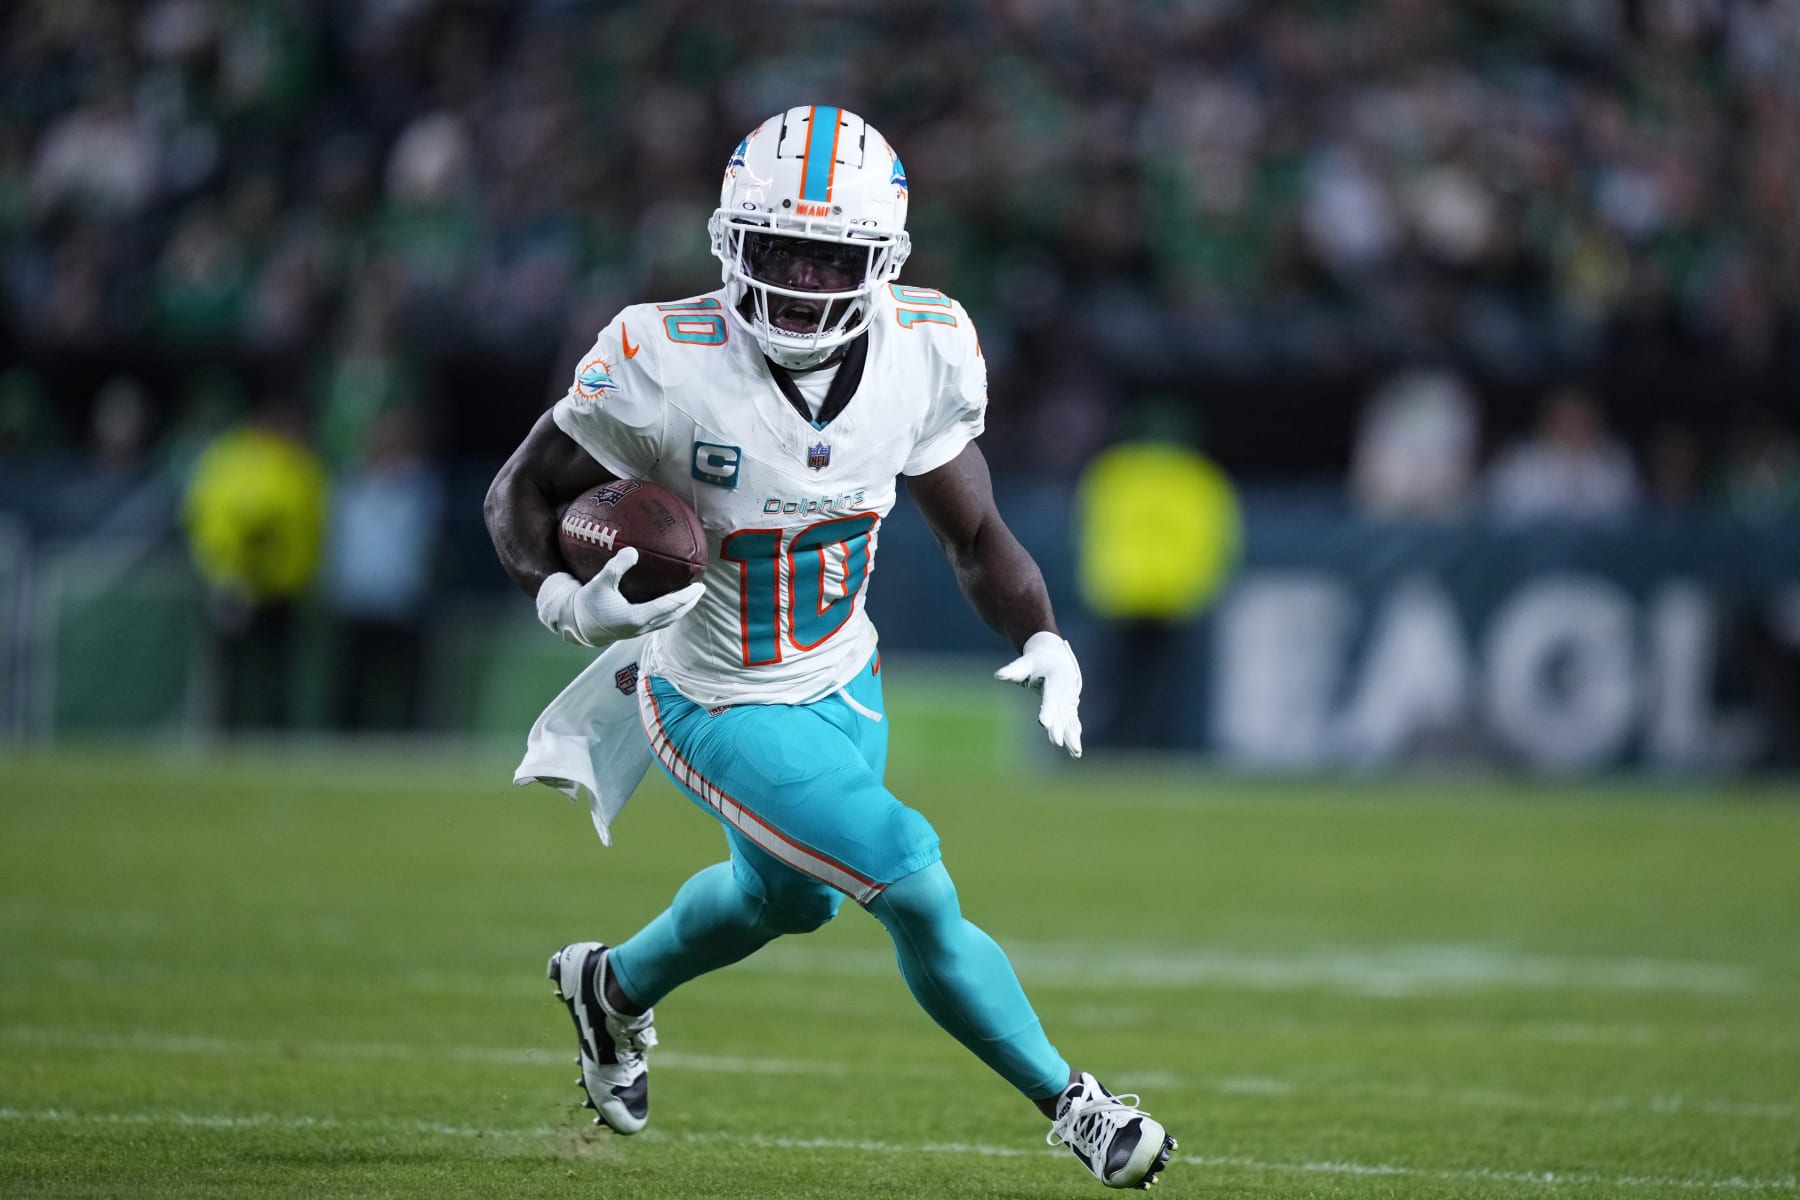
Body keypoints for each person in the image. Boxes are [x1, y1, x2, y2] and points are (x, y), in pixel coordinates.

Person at [485, 106, 1176, 1191]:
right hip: (711, 695)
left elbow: (977, 535)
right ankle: (1078, 1106)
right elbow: (518, 494)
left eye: (830, 256)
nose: (803, 281)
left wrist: (1042, 633)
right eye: (778, 250)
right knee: (910, 876)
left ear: (882, 263)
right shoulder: (663, 356)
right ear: (729, 244)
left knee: (786, 899)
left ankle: (610, 988)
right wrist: (568, 601)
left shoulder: (927, 348)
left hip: (846, 677)